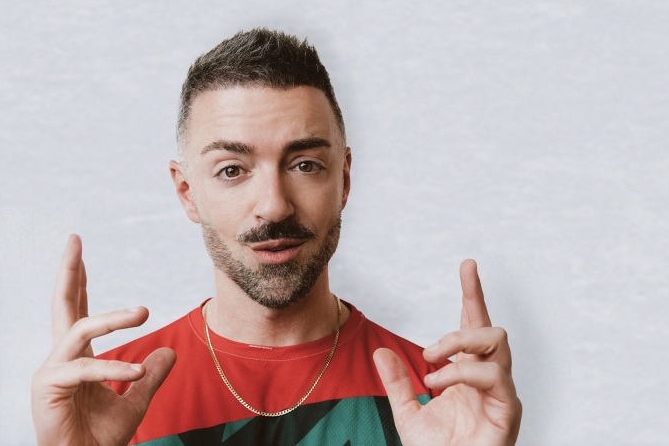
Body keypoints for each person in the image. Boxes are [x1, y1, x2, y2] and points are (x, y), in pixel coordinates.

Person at [31, 28, 523, 446]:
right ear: (187, 192)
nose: (274, 205)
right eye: (232, 170)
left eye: (305, 165)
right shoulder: (107, 396)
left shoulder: (439, 399)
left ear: (343, 179)